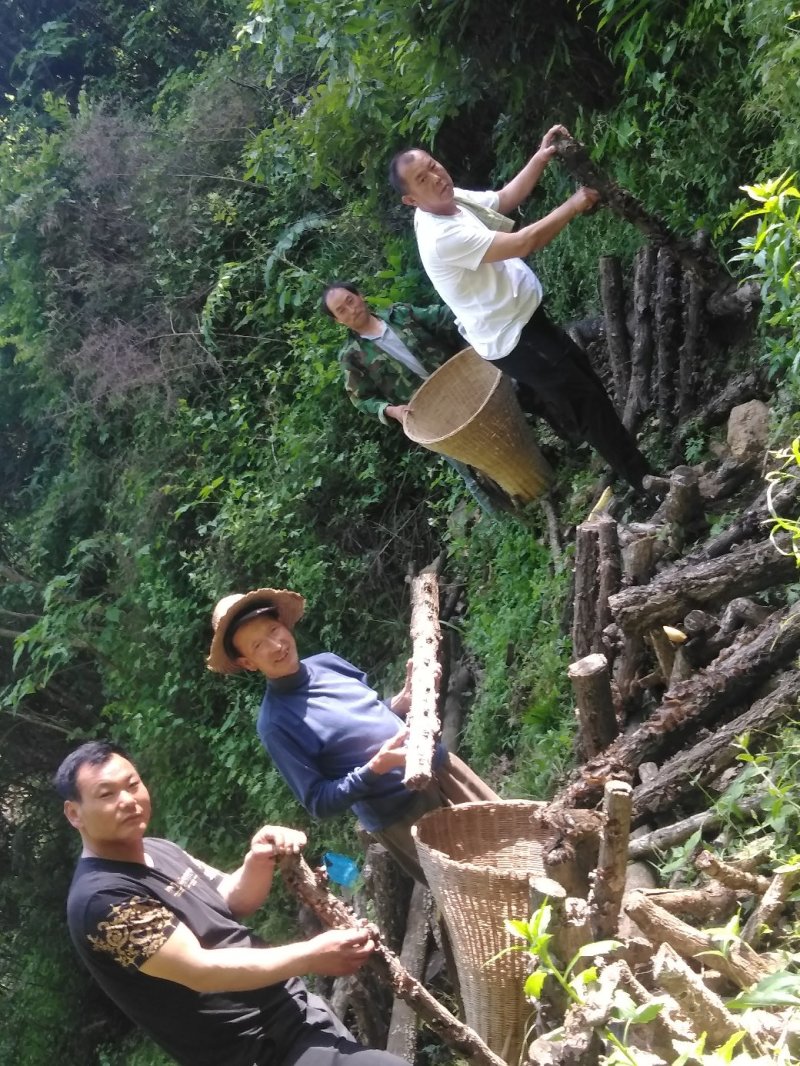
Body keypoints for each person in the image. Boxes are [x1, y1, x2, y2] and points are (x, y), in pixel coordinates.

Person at [56, 739, 407, 1066]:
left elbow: (229, 899)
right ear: (74, 814)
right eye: (106, 794)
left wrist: (258, 859)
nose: (128, 800)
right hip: (258, 1050)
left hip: (295, 1015)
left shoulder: (157, 849)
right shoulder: (102, 900)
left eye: (132, 785)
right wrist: (311, 956)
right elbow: (201, 971)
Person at [388, 125, 652, 492]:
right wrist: (573, 205)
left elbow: (502, 198)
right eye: (421, 178)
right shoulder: (441, 237)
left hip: (528, 318)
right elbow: (525, 242)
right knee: (586, 401)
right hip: (513, 338)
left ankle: (626, 460)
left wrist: (540, 157)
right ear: (411, 200)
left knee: (586, 385)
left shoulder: (450, 198)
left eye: (433, 166)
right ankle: (644, 481)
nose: (436, 177)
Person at [206, 587, 498, 885]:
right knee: (481, 893)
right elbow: (318, 801)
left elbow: (366, 713)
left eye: (274, 629)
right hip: (406, 816)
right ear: (247, 663)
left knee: (513, 841)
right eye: (257, 645)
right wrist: (374, 770)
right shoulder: (276, 723)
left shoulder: (327, 662)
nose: (276, 645)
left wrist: (402, 701)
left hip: (443, 768)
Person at [321, 280, 506, 513]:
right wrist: (391, 411)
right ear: (338, 320)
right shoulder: (351, 357)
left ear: (360, 295)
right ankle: (507, 520)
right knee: (468, 470)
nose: (351, 310)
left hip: (461, 386)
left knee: (499, 430)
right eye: (341, 310)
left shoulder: (400, 314)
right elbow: (362, 399)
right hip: (427, 416)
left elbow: (442, 318)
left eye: (350, 300)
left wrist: (471, 330)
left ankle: (535, 481)